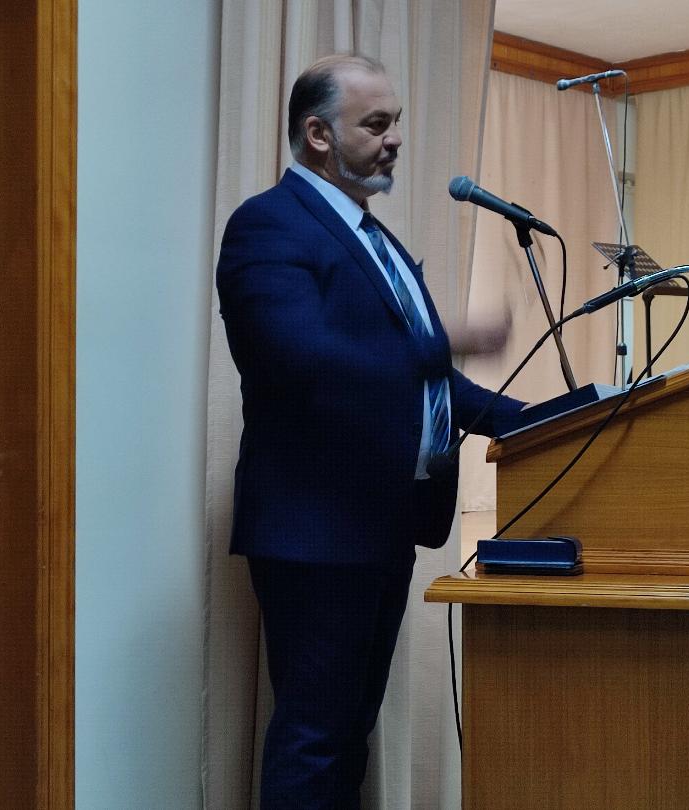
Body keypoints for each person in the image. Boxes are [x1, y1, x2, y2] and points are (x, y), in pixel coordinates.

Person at [215, 54, 525, 809]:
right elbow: (297, 356)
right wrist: (441, 341)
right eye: (376, 124)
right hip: (314, 530)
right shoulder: (269, 223)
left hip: (382, 523)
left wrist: (547, 417)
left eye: (396, 123)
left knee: (348, 737)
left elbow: (428, 382)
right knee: (314, 740)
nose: (395, 140)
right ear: (318, 134)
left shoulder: (373, 239)